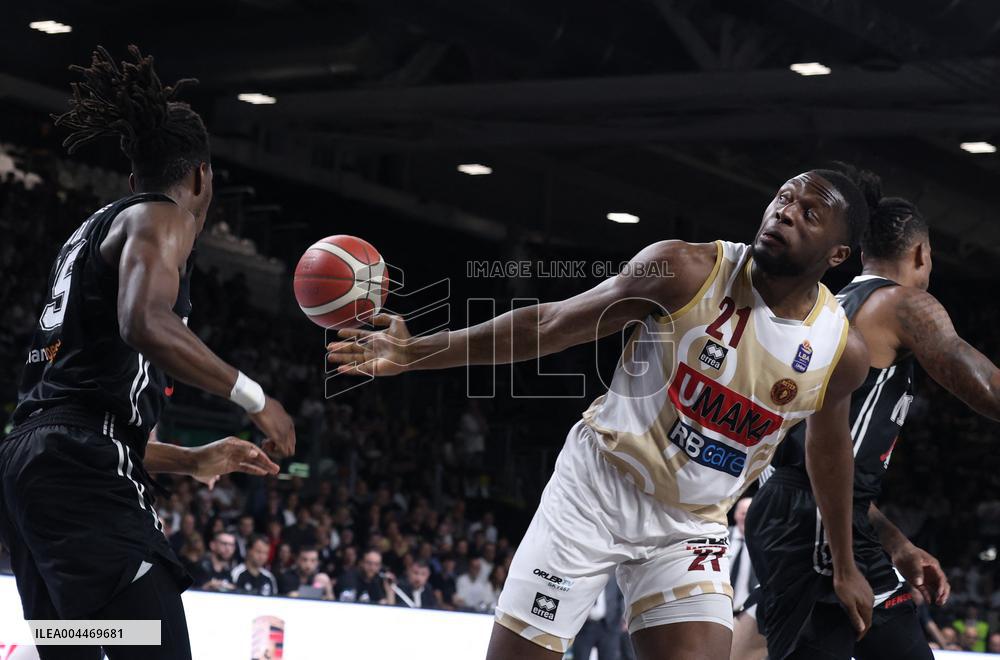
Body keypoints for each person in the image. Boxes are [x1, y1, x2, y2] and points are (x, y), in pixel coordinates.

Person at [330, 165, 876, 660]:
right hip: (597, 489)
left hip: (690, 523)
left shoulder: (840, 352)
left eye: (810, 213)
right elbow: (549, 325)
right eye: (783, 197)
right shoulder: (686, 270)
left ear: (838, 255)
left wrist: (845, 564)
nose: (785, 213)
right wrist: (415, 351)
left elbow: (828, 449)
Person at [0, 46, 293, 660]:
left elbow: (79, 412)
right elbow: (143, 323)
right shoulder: (162, 217)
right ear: (202, 178)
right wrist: (255, 397)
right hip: (79, 467)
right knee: (159, 646)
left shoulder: (90, 231)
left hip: (32, 464)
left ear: (133, 179)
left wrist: (191, 459)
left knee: (80, 643)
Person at [743, 193, 1000, 660]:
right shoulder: (902, 304)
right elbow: (988, 389)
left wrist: (896, 543)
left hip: (810, 511)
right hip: (816, 522)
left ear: (862, 253)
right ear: (921, 254)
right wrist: (844, 561)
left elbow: (831, 465)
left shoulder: (828, 308)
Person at [572, 578, 626, 660]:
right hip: (584, 626)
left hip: (609, 626)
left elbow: (622, 597)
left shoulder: (614, 578)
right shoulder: (583, 578)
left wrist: (624, 618)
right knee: (580, 656)